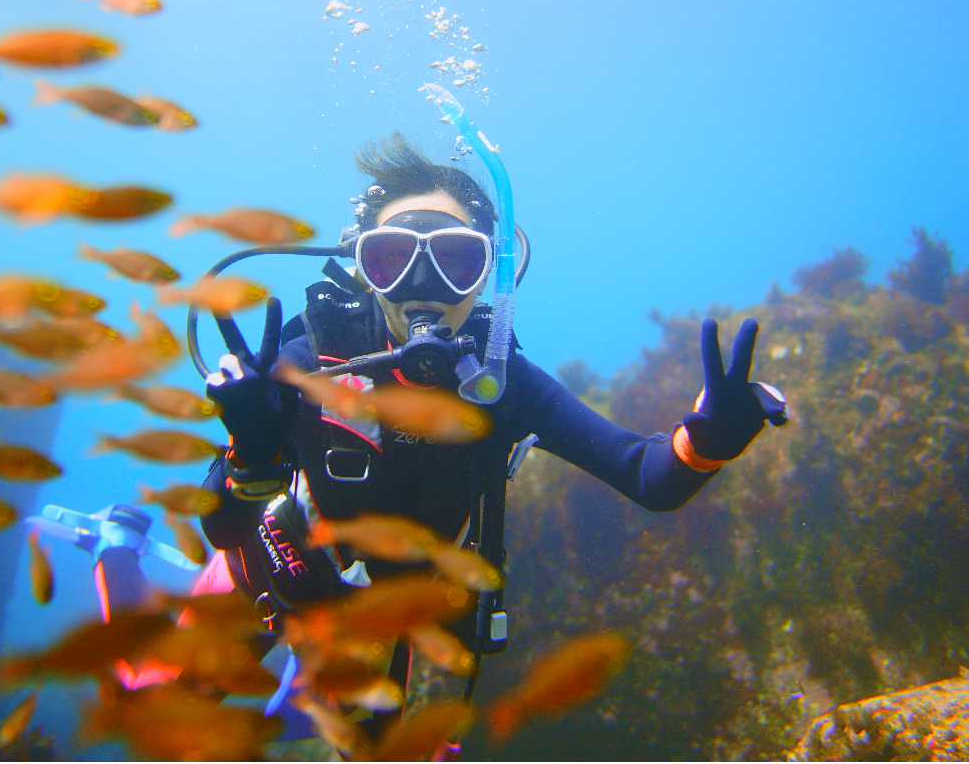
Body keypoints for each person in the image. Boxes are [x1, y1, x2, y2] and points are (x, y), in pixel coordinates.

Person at [195, 131, 787, 716]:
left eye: (455, 259)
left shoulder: (501, 385)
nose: (422, 287)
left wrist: (705, 444)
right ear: (362, 267)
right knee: (161, 707)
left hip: (390, 625)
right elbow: (223, 531)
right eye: (392, 259)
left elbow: (648, 478)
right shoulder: (312, 362)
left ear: (487, 276)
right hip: (268, 582)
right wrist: (252, 451)